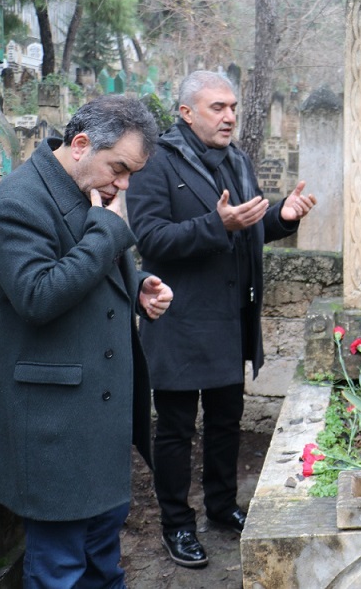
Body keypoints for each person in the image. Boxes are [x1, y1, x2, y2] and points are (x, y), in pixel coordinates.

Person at [126, 71, 317, 568]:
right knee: (174, 429)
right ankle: (175, 523)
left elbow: (246, 231)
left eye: (232, 106)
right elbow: (151, 239)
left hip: (231, 319)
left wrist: (282, 218)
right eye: (217, 107)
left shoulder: (236, 159)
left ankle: (220, 507)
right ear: (187, 113)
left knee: (227, 422)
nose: (229, 115)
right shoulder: (156, 164)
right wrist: (217, 224)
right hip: (180, 318)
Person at [0, 95, 172, 588]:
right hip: (53, 434)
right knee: (59, 573)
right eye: (120, 168)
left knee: (102, 566)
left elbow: (87, 272)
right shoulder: (17, 202)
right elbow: (37, 295)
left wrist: (136, 288)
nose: (124, 183)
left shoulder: (88, 186)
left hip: (99, 428)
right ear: (82, 144)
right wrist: (109, 232)